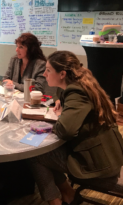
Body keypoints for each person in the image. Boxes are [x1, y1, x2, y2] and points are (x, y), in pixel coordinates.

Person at [30, 50, 123, 205]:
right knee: (45, 151)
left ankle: (56, 200)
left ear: (62, 74)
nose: (45, 74)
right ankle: (68, 193)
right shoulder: (79, 84)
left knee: (35, 154)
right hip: (108, 151)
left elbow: (66, 131)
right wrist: (61, 102)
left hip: (98, 162)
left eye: (48, 70)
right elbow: (64, 96)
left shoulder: (76, 92)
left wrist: (60, 118)